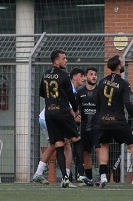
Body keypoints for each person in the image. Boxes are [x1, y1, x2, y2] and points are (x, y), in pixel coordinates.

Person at [96, 55, 133, 188]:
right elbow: (128, 105)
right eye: (122, 62)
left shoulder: (102, 82)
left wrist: (99, 120)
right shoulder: (124, 84)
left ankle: (103, 176)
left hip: (104, 121)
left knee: (104, 146)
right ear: (118, 66)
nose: (124, 64)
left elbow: (98, 103)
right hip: (118, 121)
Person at [38, 49, 81, 187]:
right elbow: (70, 96)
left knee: (58, 145)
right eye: (64, 58)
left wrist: (53, 99)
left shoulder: (45, 74)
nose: (66, 60)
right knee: (77, 139)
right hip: (63, 112)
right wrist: (75, 110)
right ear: (56, 61)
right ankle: (81, 174)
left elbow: (41, 92)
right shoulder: (64, 76)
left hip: (50, 113)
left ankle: (65, 179)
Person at [75, 66, 100, 185]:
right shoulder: (80, 92)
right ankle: (89, 178)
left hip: (98, 127)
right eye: (91, 74)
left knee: (100, 151)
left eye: (95, 74)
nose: (94, 76)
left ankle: (102, 176)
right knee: (86, 152)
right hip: (84, 127)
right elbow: (76, 109)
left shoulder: (100, 91)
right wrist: (77, 116)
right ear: (86, 76)